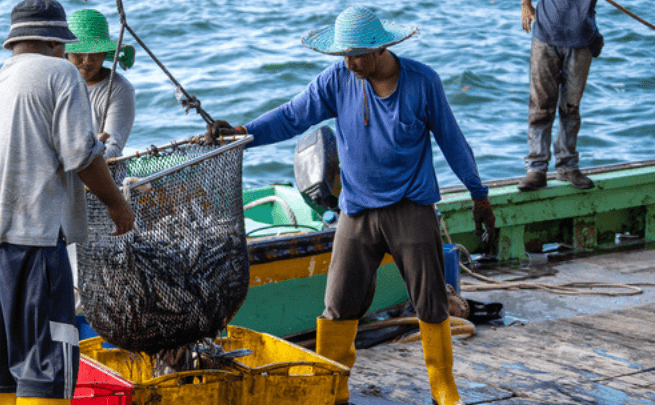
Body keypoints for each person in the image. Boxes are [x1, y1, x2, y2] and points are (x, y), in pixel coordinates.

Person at [205, 6, 495, 405]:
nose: (348, 62)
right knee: (337, 304)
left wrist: (479, 195)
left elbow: (453, 141)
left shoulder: (422, 82)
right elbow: (292, 116)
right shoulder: (337, 80)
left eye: (355, 54)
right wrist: (243, 133)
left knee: (429, 301)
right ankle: (332, 387)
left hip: (411, 206)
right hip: (356, 210)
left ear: (379, 49)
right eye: (343, 54)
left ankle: (443, 386)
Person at [0, 1, 135, 404]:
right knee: (48, 365)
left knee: (7, 365)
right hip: (38, 242)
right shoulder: (60, 73)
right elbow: (81, 155)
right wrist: (118, 205)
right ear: (53, 40)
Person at [518, 0, 602, 191]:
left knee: (570, 108)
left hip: (582, 37)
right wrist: (525, 3)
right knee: (540, 107)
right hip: (545, 35)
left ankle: (567, 166)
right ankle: (536, 168)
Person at [65, 8, 137, 159]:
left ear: (105, 53)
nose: (87, 60)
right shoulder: (58, 83)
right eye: (79, 53)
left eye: (95, 53)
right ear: (66, 53)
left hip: (104, 172)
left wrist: (84, 157)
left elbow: (113, 148)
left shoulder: (120, 89)